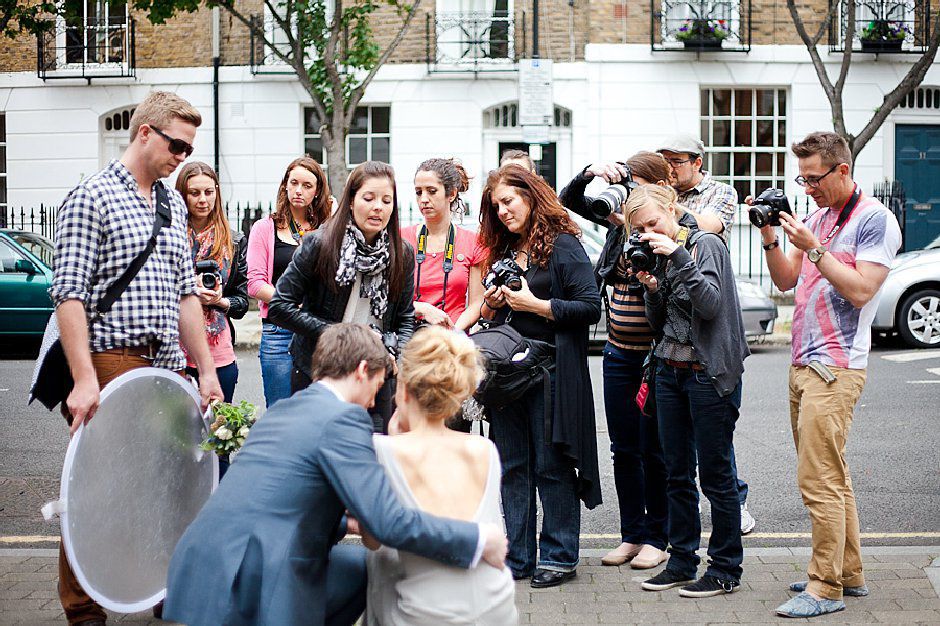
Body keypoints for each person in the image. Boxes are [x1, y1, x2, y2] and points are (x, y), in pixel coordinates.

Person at [163, 323, 509, 626]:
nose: (375, 401)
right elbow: (388, 523)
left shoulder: (285, 409)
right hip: (256, 571)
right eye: (377, 384)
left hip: (206, 561)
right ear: (362, 370)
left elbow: (280, 499)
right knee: (362, 564)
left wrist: (350, 524)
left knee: (356, 563)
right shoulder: (344, 418)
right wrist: (477, 539)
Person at [48, 90, 223, 625]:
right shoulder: (92, 197)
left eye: (189, 146)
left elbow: (186, 296)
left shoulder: (169, 204)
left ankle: (155, 587)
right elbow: (69, 295)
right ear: (144, 132)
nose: (182, 156)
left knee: (165, 485)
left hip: (165, 368)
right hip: (107, 361)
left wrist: (208, 373)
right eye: (176, 144)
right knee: (99, 489)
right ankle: (84, 611)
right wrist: (82, 379)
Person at [759, 132, 900, 619]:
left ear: (842, 170)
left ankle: (825, 589)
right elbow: (784, 279)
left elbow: (862, 291)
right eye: (801, 178)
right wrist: (770, 236)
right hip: (803, 362)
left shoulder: (875, 220)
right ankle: (849, 572)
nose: (807, 188)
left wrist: (816, 248)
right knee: (832, 476)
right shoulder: (816, 216)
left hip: (837, 366)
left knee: (817, 479)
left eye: (813, 178)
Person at [560, 151, 693, 570]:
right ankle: (632, 534)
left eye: (633, 183)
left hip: (656, 358)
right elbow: (569, 199)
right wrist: (590, 175)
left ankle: (659, 536)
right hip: (619, 353)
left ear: (657, 188)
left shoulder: (678, 230)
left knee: (655, 449)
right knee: (623, 448)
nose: (625, 192)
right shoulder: (622, 227)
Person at [478, 164, 602, 588]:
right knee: (512, 466)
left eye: (508, 202)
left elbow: (589, 308)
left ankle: (560, 556)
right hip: (508, 374)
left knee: (551, 466)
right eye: (496, 207)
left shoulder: (564, 246)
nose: (503, 212)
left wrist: (538, 305)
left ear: (531, 197)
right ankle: (520, 557)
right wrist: (495, 305)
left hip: (551, 370)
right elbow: (493, 315)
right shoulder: (506, 250)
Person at [625, 184, 748, 599]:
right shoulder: (656, 254)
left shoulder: (705, 244)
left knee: (716, 476)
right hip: (669, 372)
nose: (649, 231)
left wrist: (676, 255)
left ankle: (726, 568)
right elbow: (659, 324)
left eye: (653, 222)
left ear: (672, 209)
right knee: (676, 474)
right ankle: (681, 561)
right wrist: (652, 288)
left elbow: (710, 306)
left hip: (707, 374)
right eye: (639, 228)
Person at [365, 326, 518, 625]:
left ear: (404, 388)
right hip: (496, 603)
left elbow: (372, 538)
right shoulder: (483, 449)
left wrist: (393, 438)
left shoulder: (382, 451)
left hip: (426, 613)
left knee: (379, 558)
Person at [268, 161, 415, 433]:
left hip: (377, 370)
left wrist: (398, 354)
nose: (378, 208)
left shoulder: (402, 253)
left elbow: (405, 317)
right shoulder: (319, 244)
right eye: (368, 198)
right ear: (350, 201)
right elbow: (279, 307)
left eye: (386, 200)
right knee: (319, 451)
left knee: (374, 450)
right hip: (321, 369)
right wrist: (343, 335)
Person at [657, 133, 756, 534]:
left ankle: (735, 501)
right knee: (679, 454)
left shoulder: (721, 192)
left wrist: (663, 205)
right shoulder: (661, 194)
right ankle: (684, 540)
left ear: (698, 162)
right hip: (671, 328)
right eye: (664, 162)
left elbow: (710, 225)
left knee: (714, 443)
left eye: (676, 162)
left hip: (706, 312)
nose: (670, 170)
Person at [247, 156, 331, 407]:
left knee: (318, 409)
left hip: (318, 330)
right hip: (279, 331)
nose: (299, 190)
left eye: (307, 186)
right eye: (294, 183)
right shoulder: (265, 228)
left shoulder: (327, 229)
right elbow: (255, 282)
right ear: (285, 185)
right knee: (280, 409)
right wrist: (288, 304)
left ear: (317, 192)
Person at [176, 161, 249, 402]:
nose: (202, 200)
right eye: (194, 193)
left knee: (218, 431)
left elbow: (242, 303)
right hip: (176, 352)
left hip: (220, 352)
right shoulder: (169, 237)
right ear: (182, 194)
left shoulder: (234, 241)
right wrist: (188, 293)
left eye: (209, 192)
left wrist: (220, 301)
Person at [402, 158, 485, 332]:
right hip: (411, 338)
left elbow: (477, 302)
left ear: (452, 194)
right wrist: (421, 308)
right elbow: (390, 297)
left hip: (454, 340)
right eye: (419, 192)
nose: (424, 199)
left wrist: (455, 331)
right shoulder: (402, 239)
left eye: (432, 191)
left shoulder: (473, 242)